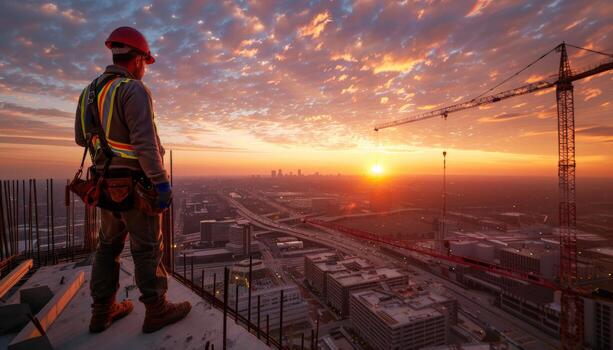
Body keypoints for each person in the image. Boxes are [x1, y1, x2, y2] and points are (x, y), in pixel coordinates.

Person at [74, 26, 191, 334]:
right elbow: (145, 143)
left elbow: (80, 139)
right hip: (135, 184)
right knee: (147, 247)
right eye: (145, 62)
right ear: (137, 58)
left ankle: (102, 311)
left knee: (108, 246)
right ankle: (157, 310)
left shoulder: (89, 92)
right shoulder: (132, 89)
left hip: (103, 184)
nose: (145, 69)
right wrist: (161, 182)